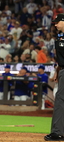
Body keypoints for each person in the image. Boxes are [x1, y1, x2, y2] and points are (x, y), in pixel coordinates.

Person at [44, 13, 64, 141]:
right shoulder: (60, 37)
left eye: (58, 22)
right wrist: (58, 69)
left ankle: (58, 132)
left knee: (60, 99)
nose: (55, 24)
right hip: (62, 69)